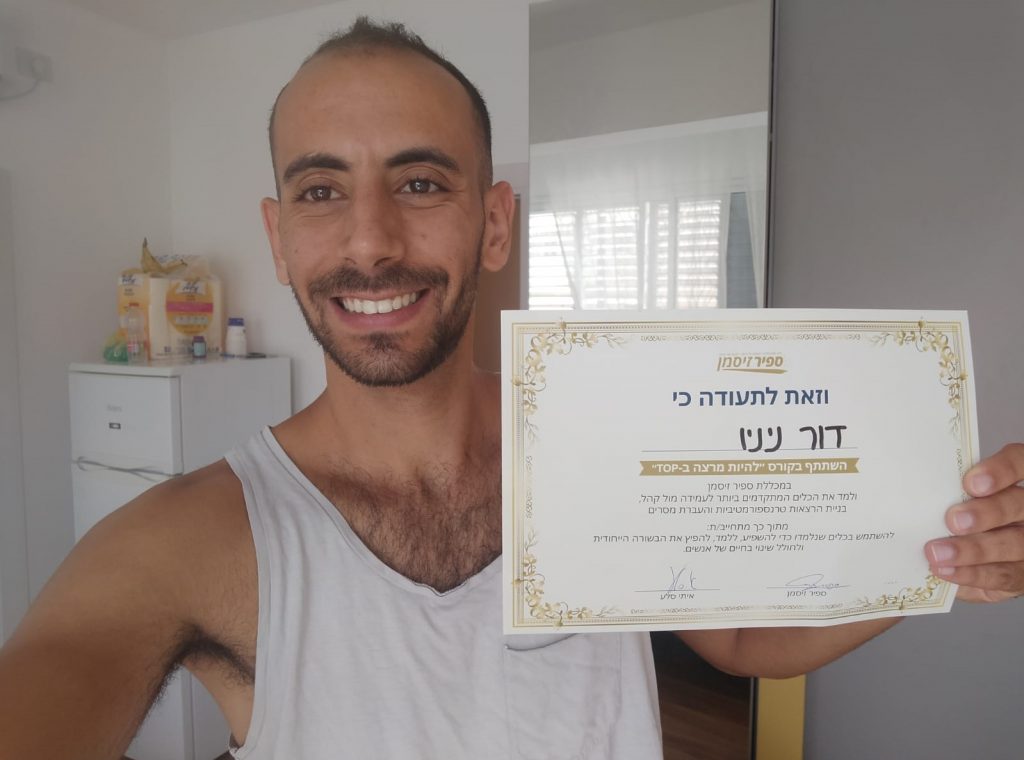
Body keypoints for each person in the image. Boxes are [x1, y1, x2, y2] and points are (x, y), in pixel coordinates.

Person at [1, 17, 1022, 760]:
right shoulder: (183, 541)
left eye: (420, 183)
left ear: (493, 224)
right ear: (278, 237)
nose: (370, 241)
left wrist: (947, 547)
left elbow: (746, 637)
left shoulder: (605, 445)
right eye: (321, 190)